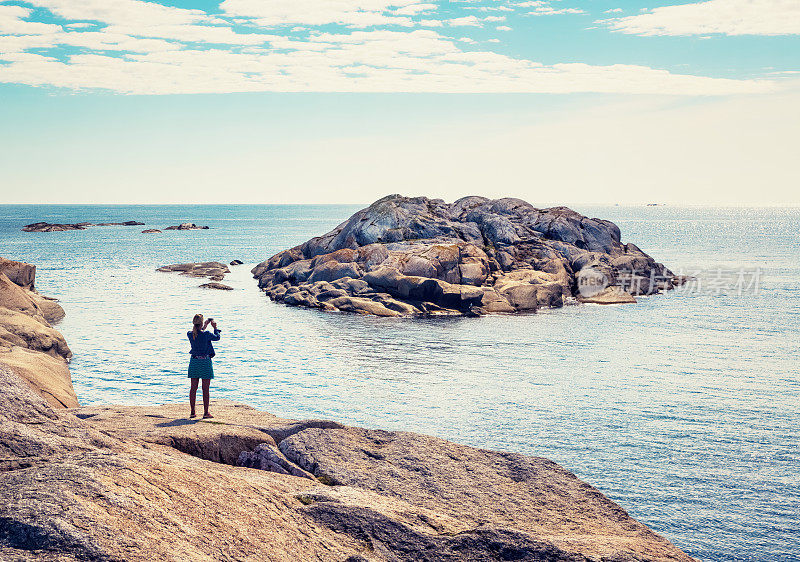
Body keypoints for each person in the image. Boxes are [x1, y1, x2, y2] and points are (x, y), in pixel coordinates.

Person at [187, 313, 221, 419]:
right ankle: (206, 413)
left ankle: (193, 412)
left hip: (194, 362)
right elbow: (217, 338)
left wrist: (204, 327)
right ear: (201, 323)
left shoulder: (189, 334)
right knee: (205, 389)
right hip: (205, 362)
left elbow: (198, 334)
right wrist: (215, 328)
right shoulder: (206, 334)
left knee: (193, 388)